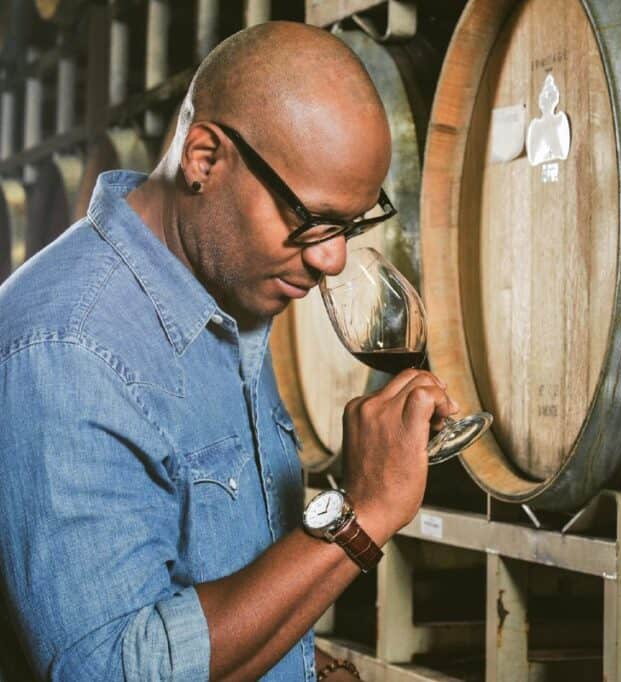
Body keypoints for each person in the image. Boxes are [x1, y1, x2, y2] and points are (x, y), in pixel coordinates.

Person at [0, 21, 457, 681]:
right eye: (311, 220)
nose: (332, 259)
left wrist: (295, 657)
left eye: (352, 226)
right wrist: (362, 515)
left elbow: (199, 576)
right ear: (205, 159)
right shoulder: (70, 351)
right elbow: (112, 668)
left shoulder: (222, 295)